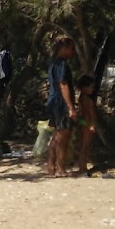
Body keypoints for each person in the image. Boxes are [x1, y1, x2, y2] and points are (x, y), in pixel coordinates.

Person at [45, 37, 76, 177]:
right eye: (71, 48)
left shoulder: (53, 64)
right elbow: (63, 85)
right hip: (61, 103)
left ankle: (51, 166)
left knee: (57, 135)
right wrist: (70, 107)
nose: (73, 51)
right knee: (64, 135)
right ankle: (60, 168)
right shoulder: (62, 65)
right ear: (64, 48)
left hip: (53, 102)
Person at [73, 74, 98, 174]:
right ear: (85, 87)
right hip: (87, 123)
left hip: (83, 122)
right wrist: (91, 124)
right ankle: (82, 167)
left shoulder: (82, 97)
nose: (93, 89)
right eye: (91, 87)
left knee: (83, 145)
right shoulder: (86, 99)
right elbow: (89, 113)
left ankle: (82, 166)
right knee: (85, 146)